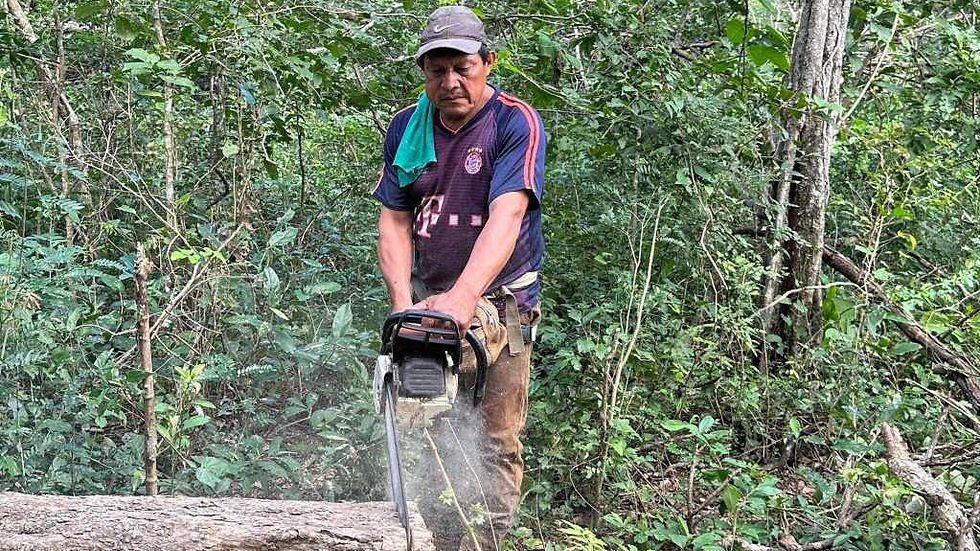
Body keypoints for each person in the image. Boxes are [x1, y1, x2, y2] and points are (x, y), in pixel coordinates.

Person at [372, 6, 546, 551]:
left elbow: (508, 214)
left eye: (462, 68)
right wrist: (404, 303)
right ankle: (415, 532)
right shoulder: (408, 125)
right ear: (424, 72)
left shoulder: (512, 121)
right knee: (416, 409)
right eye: (436, 70)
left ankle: (485, 541)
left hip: (503, 300)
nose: (450, 82)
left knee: (496, 439)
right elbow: (395, 218)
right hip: (428, 297)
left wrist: (465, 298)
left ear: (487, 63)